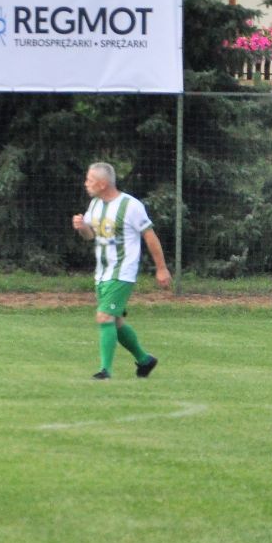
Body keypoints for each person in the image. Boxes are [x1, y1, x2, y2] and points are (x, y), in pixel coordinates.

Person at [70, 161, 170, 380]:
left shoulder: (130, 205)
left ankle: (105, 371)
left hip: (123, 272)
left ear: (103, 184)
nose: (86, 184)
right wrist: (82, 227)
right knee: (115, 321)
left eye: (90, 180)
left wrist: (161, 269)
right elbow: (90, 236)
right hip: (102, 273)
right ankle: (145, 360)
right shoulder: (95, 204)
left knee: (104, 317)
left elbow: (150, 236)